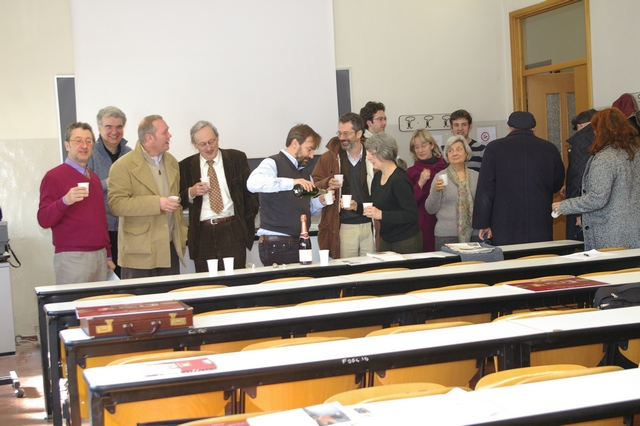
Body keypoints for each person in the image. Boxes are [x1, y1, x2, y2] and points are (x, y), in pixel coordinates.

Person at [108, 115, 187, 278]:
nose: (169, 136)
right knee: (139, 303)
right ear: (150, 138)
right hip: (139, 254)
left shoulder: (172, 162)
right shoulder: (123, 166)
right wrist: (156, 203)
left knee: (171, 302)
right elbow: (116, 205)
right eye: (165, 132)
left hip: (169, 250)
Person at [553, 108, 640, 251]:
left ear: (601, 131)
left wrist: (563, 206)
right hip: (635, 230)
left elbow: (597, 198)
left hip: (611, 233)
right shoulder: (635, 153)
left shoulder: (605, 158)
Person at [38, 122, 114, 284]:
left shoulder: (93, 178)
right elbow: (43, 219)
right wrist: (65, 201)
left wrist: (107, 254)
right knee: (72, 307)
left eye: (88, 141)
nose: (84, 145)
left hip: (100, 257)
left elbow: (101, 220)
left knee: (97, 308)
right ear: (67, 145)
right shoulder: (54, 176)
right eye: (78, 141)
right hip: (73, 258)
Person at [472, 111, 564, 245]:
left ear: (509, 127)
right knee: (539, 259)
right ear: (533, 128)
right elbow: (557, 184)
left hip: (504, 221)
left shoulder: (494, 148)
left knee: (510, 261)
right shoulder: (549, 149)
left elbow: (485, 189)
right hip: (539, 219)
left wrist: (484, 222)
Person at [179, 121, 259, 272]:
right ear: (194, 144)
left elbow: (251, 194)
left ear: (217, 138)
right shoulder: (185, 166)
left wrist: (244, 224)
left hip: (232, 230)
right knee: (207, 285)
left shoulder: (236, 159)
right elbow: (178, 201)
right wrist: (191, 192)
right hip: (202, 234)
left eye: (211, 141)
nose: (209, 148)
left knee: (236, 283)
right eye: (202, 144)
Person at [247, 124, 327, 266]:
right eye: (309, 149)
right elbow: (252, 183)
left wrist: (321, 201)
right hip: (277, 244)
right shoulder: (272, 163)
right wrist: (292, 182)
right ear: (295, 143)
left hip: (300, 242)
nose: (311, 155)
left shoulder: (305, 173)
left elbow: (308, 210)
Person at [312, 113, 374, 259]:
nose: (341, 138)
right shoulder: (329, 158)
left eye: (346, 133)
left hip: (371, 224)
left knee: (373, 271)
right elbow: (314, 185)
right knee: (347, 269)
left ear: (359, 133)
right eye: (339, 133)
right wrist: (327, 182)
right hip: (343, 226)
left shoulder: (373, 155)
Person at [87, 106, 131, 277]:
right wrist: (107, 183)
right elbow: (82, 190)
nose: (114, 131)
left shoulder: (130, 155)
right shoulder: (88, 154)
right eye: (109, 127)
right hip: (100, 231)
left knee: (126, 279)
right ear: (99, 128)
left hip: (127, 229)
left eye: (119, 127)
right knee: (104, 282)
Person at [363, 133, 421, 254]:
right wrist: (355, 206)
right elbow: (376, 207)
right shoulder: (378, 176)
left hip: (406, 240)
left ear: (385, 153)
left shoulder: (399, 179)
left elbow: (411, 214)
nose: (368, 158)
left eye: (372, 153)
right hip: (386, 238)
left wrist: (382, 215)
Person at [425, 135, 480, 249]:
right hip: (446, 235)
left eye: (459, 149)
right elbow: (430, 209)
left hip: (474, 234)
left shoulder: (476, 176)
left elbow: (483, 205)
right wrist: (435, 191)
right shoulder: (440, 176)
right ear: (446, 156)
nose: (455, 153)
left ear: (466, 153)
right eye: (450, 150)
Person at [406, 128, 447, 251]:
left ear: (431, 145)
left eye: (423, 145)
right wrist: (420, 183)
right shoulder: (411, 172)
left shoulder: (444, 167)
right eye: (416, 147)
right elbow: (409, 202)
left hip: (444, 220)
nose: (420, 150)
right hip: (423, 222)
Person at [563, 109, 597, 241]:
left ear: (580, 126)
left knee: (578, 244)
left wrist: (578, 214)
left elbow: (579, 174)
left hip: (582, 205)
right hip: (597, 203)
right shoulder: (603, 138)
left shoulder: (581, 141)